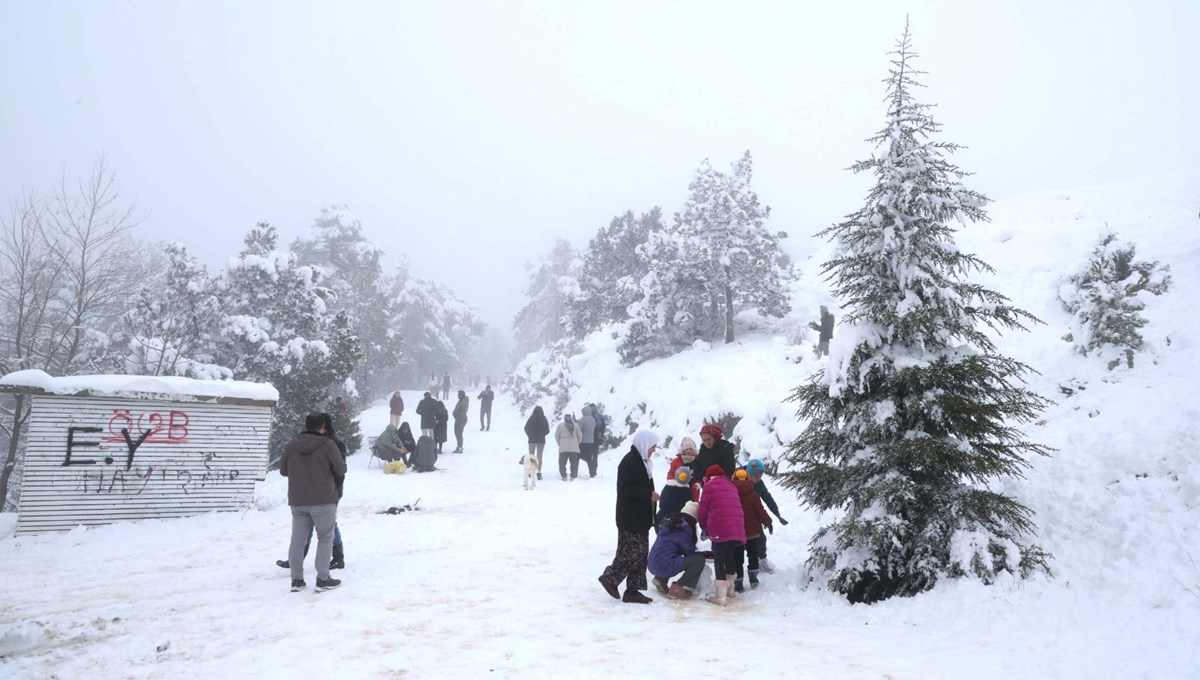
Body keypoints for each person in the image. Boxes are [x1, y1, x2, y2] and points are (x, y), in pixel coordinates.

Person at [279, 412, 346, 592]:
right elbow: (340, 469)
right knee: (325, 538)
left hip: (298, 500)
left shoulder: (292, 445)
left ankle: (297, 580)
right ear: (322, 426)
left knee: (297, 540)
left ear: (305, 424)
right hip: (323, 499)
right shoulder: (328, 444)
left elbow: (283, 470)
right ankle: (323, 579)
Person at [598, 429, 660, 604]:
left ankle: (633, 591)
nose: (653, 450)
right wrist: (648, 494)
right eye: (652, 446)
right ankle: (610, 578)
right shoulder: (630, 462)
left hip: (641, 517)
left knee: (640, 555)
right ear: (644, 444)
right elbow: (625, 489)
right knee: (629, 553)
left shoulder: (643, 462)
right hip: (630, 517)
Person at [696, 464, 744, 606]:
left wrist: (704, 527)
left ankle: (720, 596)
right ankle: (730, 590)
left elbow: (702, 510)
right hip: (736, 528)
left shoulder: (710, 486)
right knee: (729, 556)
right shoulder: (731, 485)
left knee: (718, 558)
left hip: (720, 527)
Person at [648, 501, 705, 600]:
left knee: (671, 555)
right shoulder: (684, 529)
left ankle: (660, 579)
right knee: (699, 560)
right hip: (664, 565)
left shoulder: (670, 524)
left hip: (652, 562)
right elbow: (690, 553)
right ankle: (678, 588)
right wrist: (704, 554)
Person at [732, 468, 773, 592]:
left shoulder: (731, 493)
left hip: (737, 531)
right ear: (748, 478)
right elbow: (760, 511)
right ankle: (753, 579)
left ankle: (738, 583)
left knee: (737, 557)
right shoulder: (753, 493)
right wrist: (768, 522)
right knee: (753, 554)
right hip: (752, 532)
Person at [744, 458, 788, 573]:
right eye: (757, 476)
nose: (759, 479)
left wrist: (777, 514)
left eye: (761, 476)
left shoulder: (759, 484)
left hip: (755, 516)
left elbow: (767, 498)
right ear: (749, 474)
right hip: (740, 517)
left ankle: (762, 560)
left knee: (761, 539)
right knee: (743, 542)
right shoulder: (740, 482)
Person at [523, 405, 550, 481]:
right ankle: (539, 472)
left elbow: (526, 428)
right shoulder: (544, 418)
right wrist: (542, 435)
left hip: (531, 440)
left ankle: (530, 471)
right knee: (539, 457)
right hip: (541, 441)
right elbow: (547, 430)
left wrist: (530, 435)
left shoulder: (531, 418)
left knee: (531, 456)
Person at [554, 412, 583, 481]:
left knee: (562, 463)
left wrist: (560, 444)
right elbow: (580, 436)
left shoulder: (560, 426)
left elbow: (556, 436)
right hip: (574, 447)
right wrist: (576, 443)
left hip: (563, 447)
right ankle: (573, 476)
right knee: (573, 463)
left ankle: (564, 476)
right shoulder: (576, 426)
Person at [578, 405, 597, 478]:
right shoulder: (593, 419)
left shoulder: (583, 419)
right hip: (591, 442)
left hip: (583, 442)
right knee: (589, 459)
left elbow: (579, 429)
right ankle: (592, 474)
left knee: (577, 457)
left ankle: (575, 473)